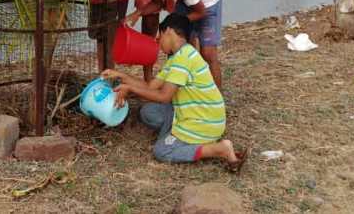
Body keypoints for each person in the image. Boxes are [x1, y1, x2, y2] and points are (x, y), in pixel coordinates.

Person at [101, 14, 247, 170]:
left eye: (160, 36)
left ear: (169, 31)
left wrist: (129, 88)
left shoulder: (182, 60)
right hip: (200, 114)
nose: (158, 41)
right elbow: (151, 87)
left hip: (204, 122)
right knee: (148, 111)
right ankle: (175, 134)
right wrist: (121, 76)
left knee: (161, 151)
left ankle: (219, 149)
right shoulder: (179, 57)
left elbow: (164, 97)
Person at [124, 0, 224, 90]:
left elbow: (201, 12)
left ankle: (216, 99)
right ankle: (182, 91)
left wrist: (174, 24)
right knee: (175, 48)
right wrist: (136, 14)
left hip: (208, 0)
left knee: (208, 52)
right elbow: (157, 4)